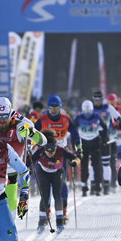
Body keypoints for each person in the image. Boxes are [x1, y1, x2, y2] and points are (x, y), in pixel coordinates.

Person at [35, 94, 81, 223]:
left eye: (56, 107)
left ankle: (63, 211)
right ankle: (47, 211)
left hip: (60, 154)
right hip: (45, 154)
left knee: (61, 184)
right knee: (45, 185)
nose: (54, 110)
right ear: (48, 108)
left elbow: (75, 134)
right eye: (51, 108)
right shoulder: (43, 120)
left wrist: (79, 148)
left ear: (60, 107)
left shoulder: (66, 119)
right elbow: (33, 134)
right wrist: (30, 145)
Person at [33, 130, 79, 233]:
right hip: (43, 172)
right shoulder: (40, 151)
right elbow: (30, 159)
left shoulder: (61, 150)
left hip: (57, 172)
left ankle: (59, 221)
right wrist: (28, 166)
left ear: (55, 148)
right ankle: (42, 221)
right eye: (47, 152)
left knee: (57, 195)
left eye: (52, 152)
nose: (49, 154)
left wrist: (74, 162)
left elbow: (76, 158)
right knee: (45, 196)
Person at [75, 100, 108, 197]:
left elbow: (104, 128)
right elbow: (73, 130)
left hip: (95, 143)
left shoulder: (97, 117)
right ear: (82, 110)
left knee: (97, 166)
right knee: (84, 166)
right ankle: (84, 187)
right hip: (84, 144)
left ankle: (98, 187)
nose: (88, 112)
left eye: (89, 110)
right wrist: (75, 143)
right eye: (85, 110)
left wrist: (104, 140)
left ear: (92, 109)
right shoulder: (79, 118)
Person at [92, 90, 121, 195]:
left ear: (102, 99)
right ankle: (97, 185)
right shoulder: (91, 108)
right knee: (95, 163)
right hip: (95, 138)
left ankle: (110, 184)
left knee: (110, 162)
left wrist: (118, 125)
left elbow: (119, 117)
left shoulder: (108, 108)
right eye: (95, 100)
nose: (97, 102)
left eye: (99, 99)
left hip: (108, 138)